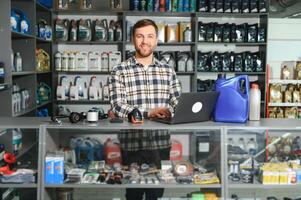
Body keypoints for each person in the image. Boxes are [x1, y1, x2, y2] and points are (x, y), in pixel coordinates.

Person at [108, 19, 181, 200]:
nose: (144, 41)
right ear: (133, 39)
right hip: (132, 144)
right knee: (133, 192)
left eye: (150, 36)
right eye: (140, 36)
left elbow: (177, 101)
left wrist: (171, 110)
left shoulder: (168, 70)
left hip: (160, 143)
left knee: (156, 192)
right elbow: (117, 105)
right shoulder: (119, 70)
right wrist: (149, 113)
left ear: (156, 40)